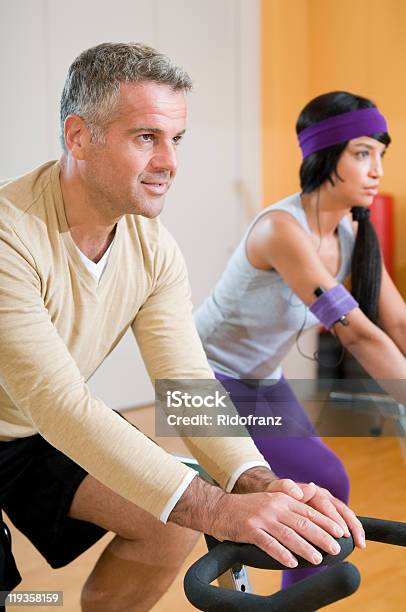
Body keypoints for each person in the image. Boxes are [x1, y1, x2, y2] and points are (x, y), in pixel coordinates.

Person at [0, 46, 364, 612]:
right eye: (146, 137)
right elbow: (58, 402)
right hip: (41, 413)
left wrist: (251, 480)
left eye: (177, 139)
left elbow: (186, 377)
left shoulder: (153, 249)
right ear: (78, 137)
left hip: (30, 431)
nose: (169, 161)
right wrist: (216, 509)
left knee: (168, 518)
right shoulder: (9, 238)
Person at [195, 90, 406, 590]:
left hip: (261, 380)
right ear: (324, 155)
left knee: (322, 487)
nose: (376, 169)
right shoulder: (280, 230)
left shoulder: (349, 238)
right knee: (324, 482)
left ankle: (299, 597)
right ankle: (301, 596)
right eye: (361, 154)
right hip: (201, 381)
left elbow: (396, 321)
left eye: (380, 156)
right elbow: (356, 332)